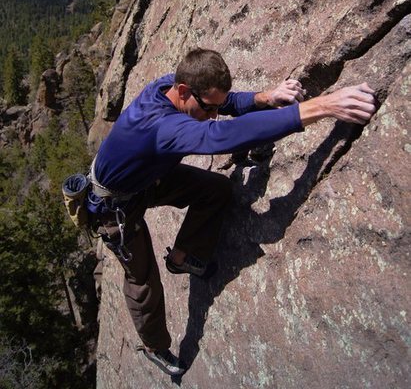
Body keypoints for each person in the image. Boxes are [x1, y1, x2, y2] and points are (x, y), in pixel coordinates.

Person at [87, 48, 376, 376]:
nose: (213, 114)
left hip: (147, 176)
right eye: (207, 108)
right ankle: (154, 346)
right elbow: (219, 135)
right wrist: (323, 106)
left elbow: (222, 102)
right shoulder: (161, 128)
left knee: (216, 190)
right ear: (184, 92)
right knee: (143, 280)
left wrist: (266, 97)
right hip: (117, 208)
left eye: (214, 107)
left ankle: (182, 258)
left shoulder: (172, 86)